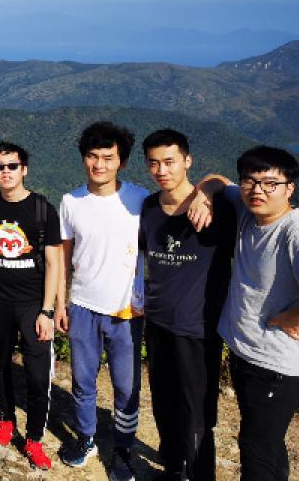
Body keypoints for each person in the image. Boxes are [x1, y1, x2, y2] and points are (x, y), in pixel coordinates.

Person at [138, 129, 235, 481]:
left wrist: (208, 187)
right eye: (154, 163)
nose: (162, 170)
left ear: (187, 161)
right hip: (158, 323)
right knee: (164, 406)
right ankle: (175, 469)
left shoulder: (218, 205)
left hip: (198, 328)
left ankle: (199, 475)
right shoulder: (149, 207)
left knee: (197, 413)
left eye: (170, 161)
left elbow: (231, 183)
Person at [56, 121, 147, 481]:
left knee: (126, 386)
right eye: (92, 157)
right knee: (82, 381)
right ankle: (86, 438)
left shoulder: (140, 200)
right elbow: (64, 257)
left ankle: (124, 448)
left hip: (127, 310)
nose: (99, 165)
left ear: (121, 162)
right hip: (82, 306)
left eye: (108, 158)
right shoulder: (70, 201)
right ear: (83, 160)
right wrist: (61, 303)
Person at [203, 146, 299, 481]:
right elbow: (218, 180)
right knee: (268, 444)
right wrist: (204, 192)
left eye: (270, 183)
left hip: (274, 364)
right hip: (246, 353)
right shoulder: (249, 213)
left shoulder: (293, 231)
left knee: (255, 450)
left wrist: (289, 318)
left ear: (290, 188)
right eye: (250, 181)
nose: (257, 190)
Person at [0, 143, 60, 470]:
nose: (6, 172)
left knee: (39, 377)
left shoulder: (42, 209)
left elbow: (54, 263)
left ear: (24, 169)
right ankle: (6, 419)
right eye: (0, 167)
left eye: (12, 165)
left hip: (33, 306)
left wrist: (48, 310)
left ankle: (35, 438)